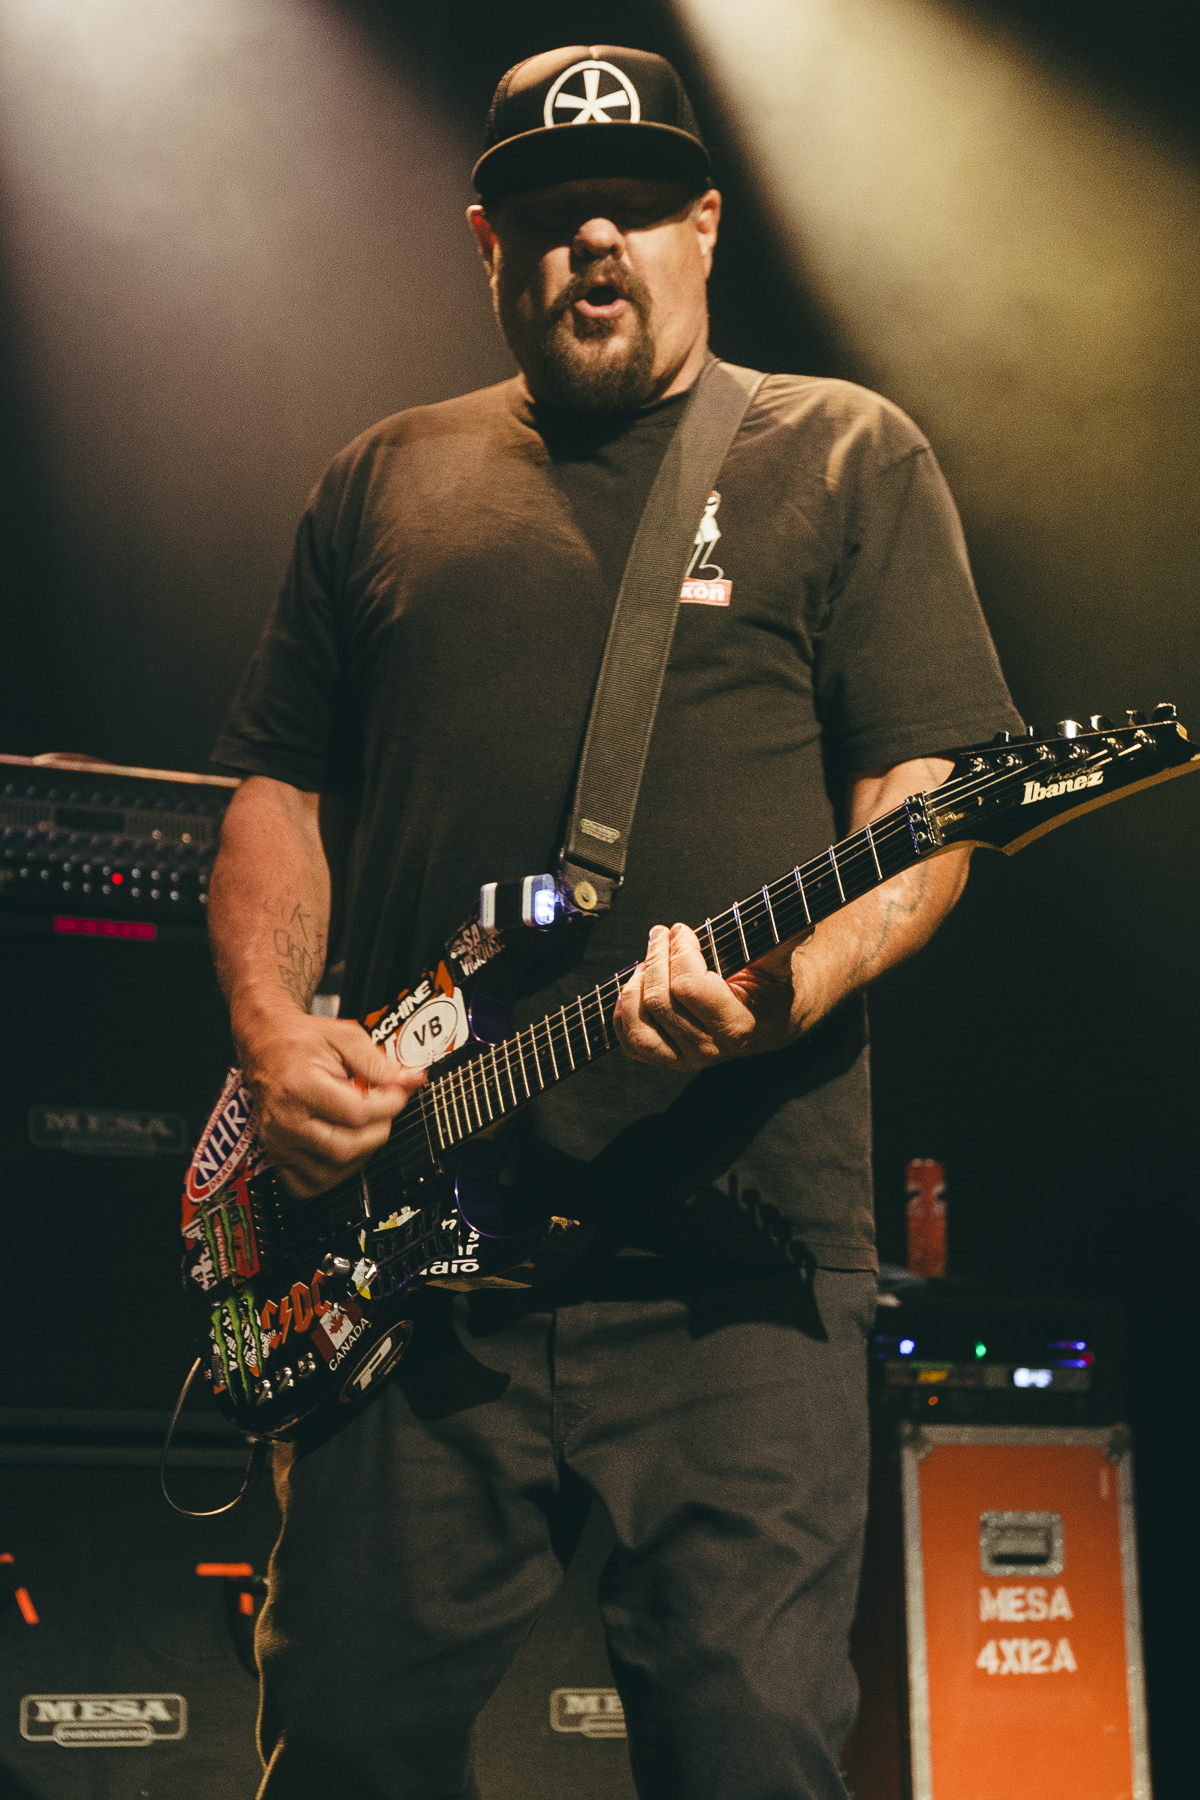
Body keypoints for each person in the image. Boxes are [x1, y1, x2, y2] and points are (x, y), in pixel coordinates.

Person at [208, 44, 1021, 1800]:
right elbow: (276, 793)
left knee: (748, 1750)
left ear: (706, 226)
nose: (599, 240)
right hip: (413, 1267)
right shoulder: (380, 481)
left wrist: (800, 977)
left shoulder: (843, 453)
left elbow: (928, 805)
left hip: (737, 1272)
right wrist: (277, 1041)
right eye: (556, 211)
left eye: (639, 206)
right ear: (486, 242)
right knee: (343, 1745)